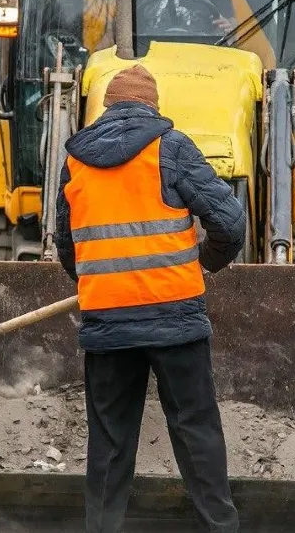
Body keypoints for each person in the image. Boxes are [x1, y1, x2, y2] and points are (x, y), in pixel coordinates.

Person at [54, 65, 245, 533]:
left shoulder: (75, 160)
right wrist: (204, 262)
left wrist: (102, 283)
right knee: (196, 431)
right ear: (152, 106)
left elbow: (67, 243)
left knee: (110, 446)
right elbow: (232, 223)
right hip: (174, 317)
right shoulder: (171, 147)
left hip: (107, 324)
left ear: (108, 106)